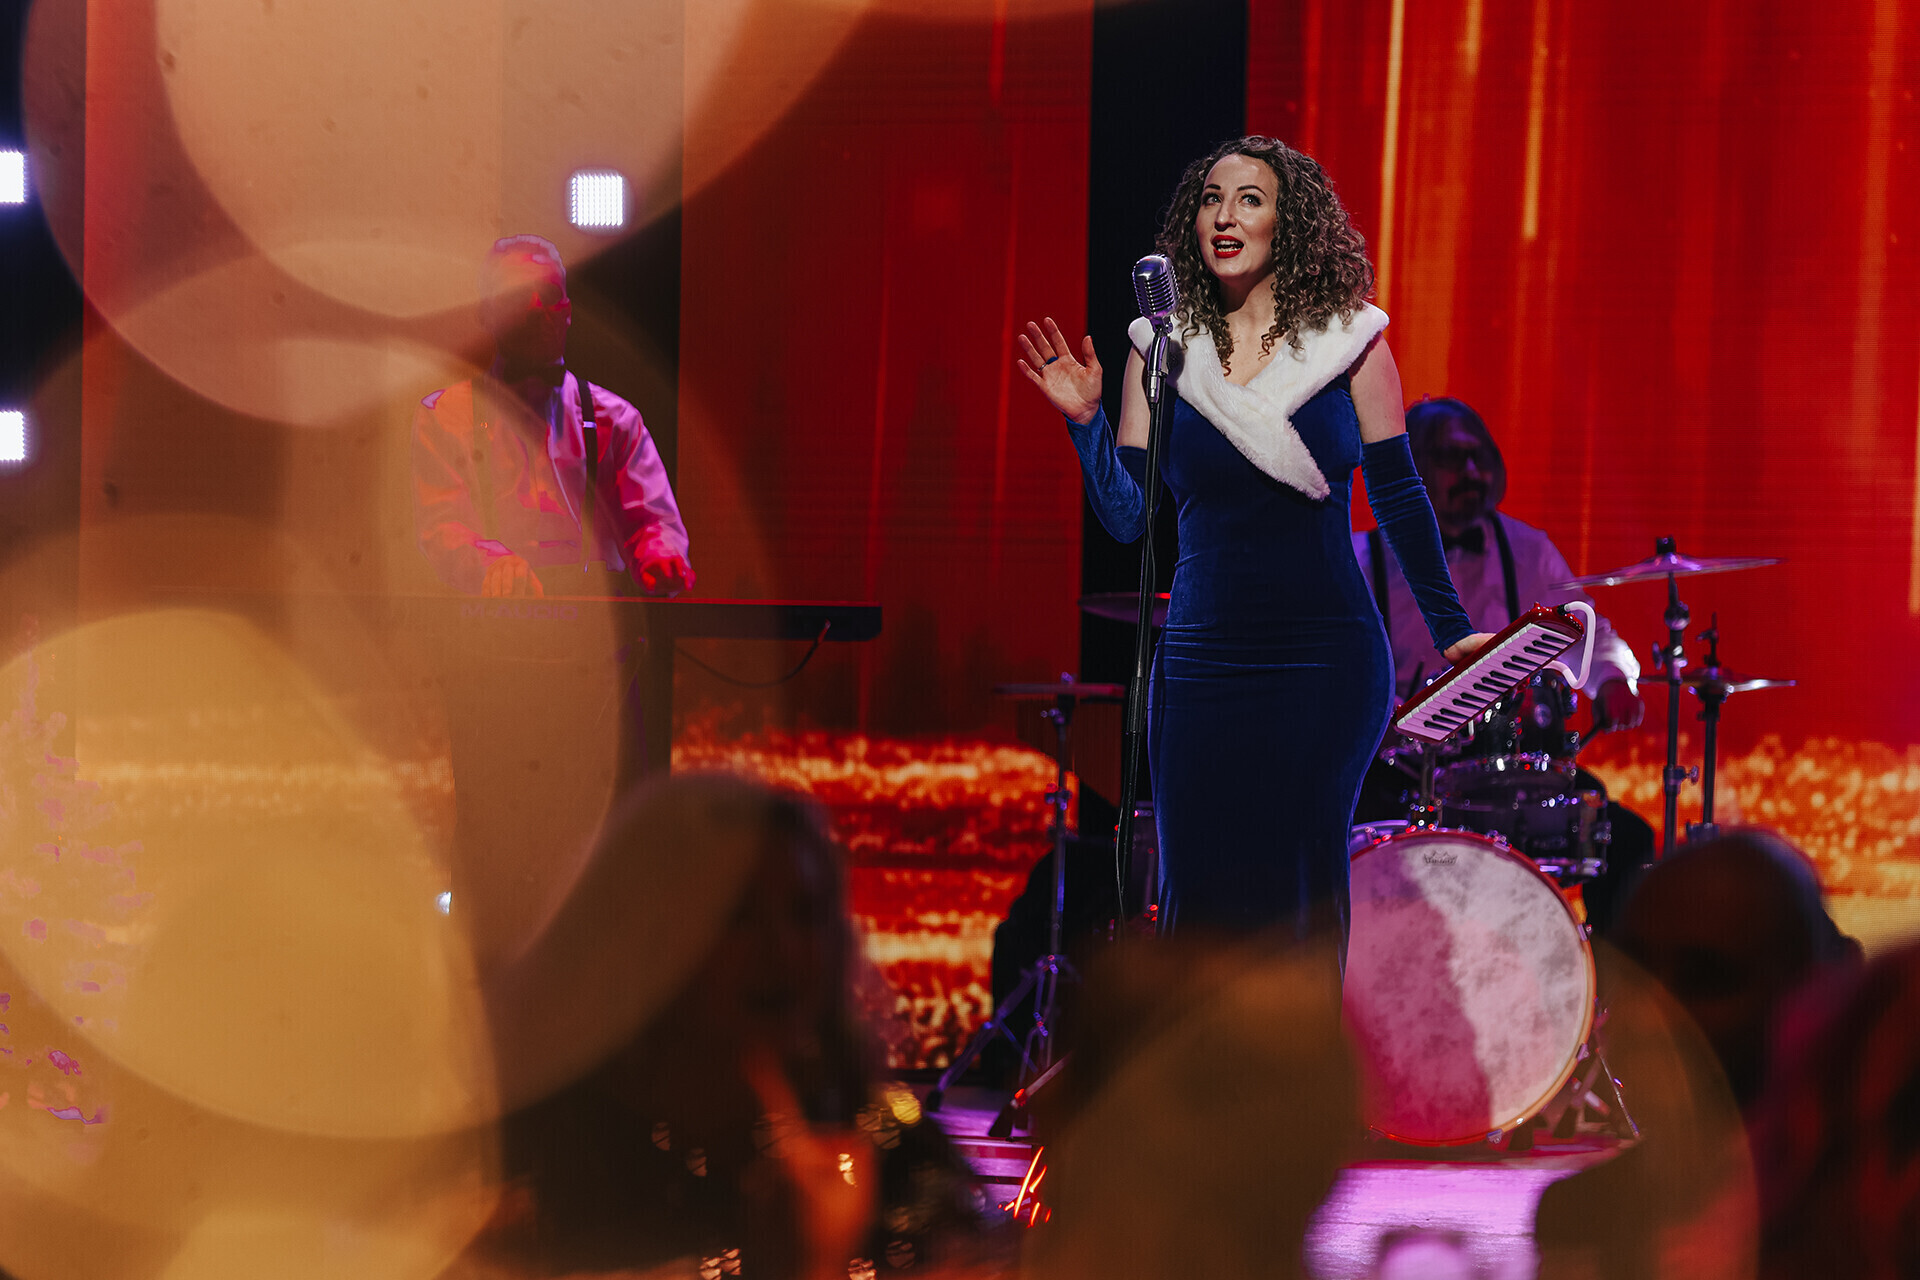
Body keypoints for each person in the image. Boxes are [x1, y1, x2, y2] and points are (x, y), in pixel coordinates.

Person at [1017, 136, 1490, 940]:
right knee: (1198, 907)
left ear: (1290, 222)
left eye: (1249, 200)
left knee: (1298, 901)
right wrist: (1087, 425)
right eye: (1211, 200)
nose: (1224, 217)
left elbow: (1401, 496)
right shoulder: (1159, 351)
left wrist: (1450, 630)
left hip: (1325, 661)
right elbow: (1128, 517)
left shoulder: (1352, 342)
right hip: (1202, 661)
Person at [413, 235, 694, 598]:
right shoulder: (446, 415)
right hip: (491, 618)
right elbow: (442, 525)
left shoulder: (617, 420)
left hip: (597, 619)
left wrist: (660, 555)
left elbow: (653, 522)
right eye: (516, 295)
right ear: (486, 314)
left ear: (567, 311)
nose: (535, 307)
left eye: (547, 294)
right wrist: (491, 564)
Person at [1353, 396, 1641, 723]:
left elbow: (1583, 633)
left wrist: (1612, 679)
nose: (1471, 472)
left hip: (1505, 746)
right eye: (1451, 458)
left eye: (1479, 457)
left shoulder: (1529, 550)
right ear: (1413, 467)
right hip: (1404, 748)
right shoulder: (1363, 560)